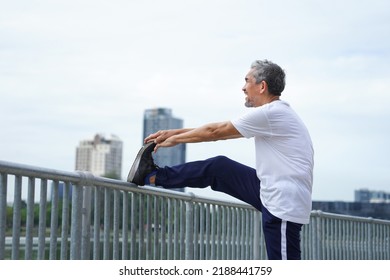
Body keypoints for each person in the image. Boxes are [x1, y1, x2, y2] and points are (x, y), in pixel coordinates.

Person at [127, 59, 314, 260]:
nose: (243, 88)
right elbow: (222, 130)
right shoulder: (272, 114)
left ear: (262, 86)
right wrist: (174, 132)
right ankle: (151, 176)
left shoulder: (271, 113)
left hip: (283, 203)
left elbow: (216, 131)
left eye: (247, 81)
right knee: (219, 168)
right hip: (271, 189)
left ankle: (153, 176)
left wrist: (175, 139)